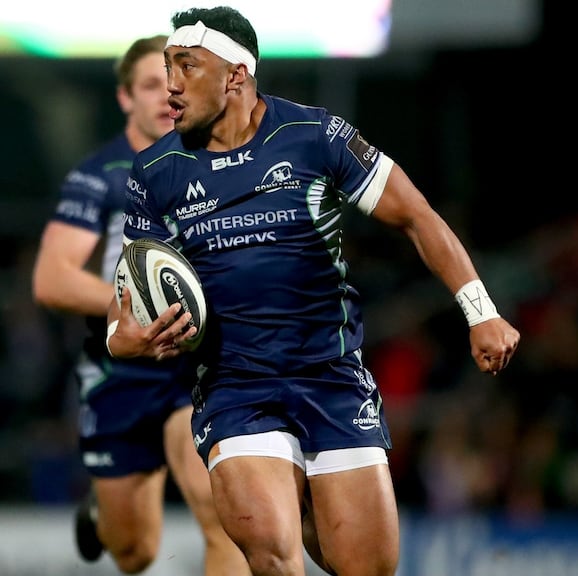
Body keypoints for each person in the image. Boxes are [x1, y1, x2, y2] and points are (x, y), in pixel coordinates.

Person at [105, 6, 521, 576]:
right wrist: (122, 338)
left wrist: (481, 311)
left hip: (331, 379)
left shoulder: (314, 136)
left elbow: (416, 216)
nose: (171, 85)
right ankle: (289, 501)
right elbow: (126, 302)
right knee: (274, 552)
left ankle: (305, 501)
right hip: (236, 389)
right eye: (166, 67)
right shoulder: (156, 170)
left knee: (365, 567)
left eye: (186, 66)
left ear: (235, 75)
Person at [31, 35, 249, 574]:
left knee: (222, 515)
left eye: (174, 83)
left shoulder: (214, 161)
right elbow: (51, 278)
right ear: (125, 98)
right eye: (150, 85)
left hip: (196, 368)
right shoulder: (99, 175)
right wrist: (141, 304)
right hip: (120, 367)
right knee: (135, 551)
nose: (165, 96)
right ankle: (103, 511)